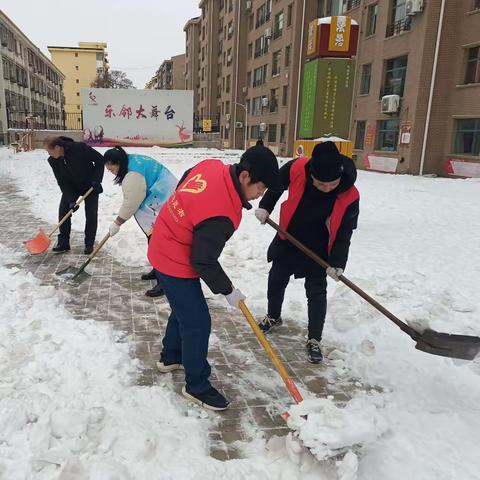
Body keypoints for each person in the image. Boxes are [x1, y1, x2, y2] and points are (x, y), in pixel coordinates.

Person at [147, 143, 281, 411]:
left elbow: (186, 178)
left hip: (161, 239)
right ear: (245, 177)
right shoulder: (223, 213)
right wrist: (228, 290)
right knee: (197, 322)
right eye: (260, 188)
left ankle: (171, 356)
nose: (260, 195)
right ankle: (196, 386)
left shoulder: (211, 166)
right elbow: (203, 260)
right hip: (175, 258)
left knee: (183, 309)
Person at [254, 141, 360, 364]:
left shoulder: (350, 194)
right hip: (289, 237)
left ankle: (314, 338)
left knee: (316, 292)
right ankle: (273, 316)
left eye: (332, 184)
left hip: (320, 248)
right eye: (321, 184)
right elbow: (276, 185)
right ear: (312, 174)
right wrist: (266, 206)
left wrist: (338, 262)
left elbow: (344, 232)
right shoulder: (297, 168)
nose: (327, 188)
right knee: (276, 279)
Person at [103, 146, 177, 297]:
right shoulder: (130, 160)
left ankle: (165, 282)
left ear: (117, 163)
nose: (110, 172)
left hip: (164, 198)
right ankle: (158, 271)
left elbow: (132, 201)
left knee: (160, 243)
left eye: (111, 169)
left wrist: (117, 222)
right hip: (161, 195)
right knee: (155, 240)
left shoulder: (133, 174)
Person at [45, 136, 105, 254]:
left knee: (91, 214)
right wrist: (71, 199)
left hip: (90, 185)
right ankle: (63, 243)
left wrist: (97, 180)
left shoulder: (79, 148)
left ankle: (89, 243)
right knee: (64, 211)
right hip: (72, 188)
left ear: (57, 147)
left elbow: (100, 160)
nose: (48, 154)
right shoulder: (53, 160)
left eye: (49, 151)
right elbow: (62, 181)